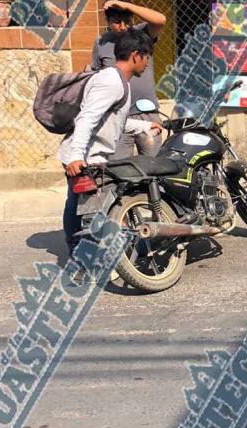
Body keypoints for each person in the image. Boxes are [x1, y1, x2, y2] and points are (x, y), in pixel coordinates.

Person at [58, 29, 164, 257]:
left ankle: (92, 254)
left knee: (87, 207)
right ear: (136, 55)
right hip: (86, 158)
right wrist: (77, 156)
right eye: (147, 57)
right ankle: (80, 259)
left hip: (90, 156)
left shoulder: (120, 82)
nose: (147, 64)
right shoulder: (110, 82)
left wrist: (145, 127)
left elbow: (113, 122)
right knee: (84, 210)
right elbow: (87, 118)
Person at [91, 0, 167, 160]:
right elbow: (96, 74)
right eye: (116, 22)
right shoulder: (101, 43)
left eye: (127, 21)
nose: (123, 26)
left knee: (154, 167)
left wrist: (128, 6)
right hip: (118, 116)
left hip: (147, 114)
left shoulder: (141, 34)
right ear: (108, 22)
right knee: (119, 168)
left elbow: (160, 20)